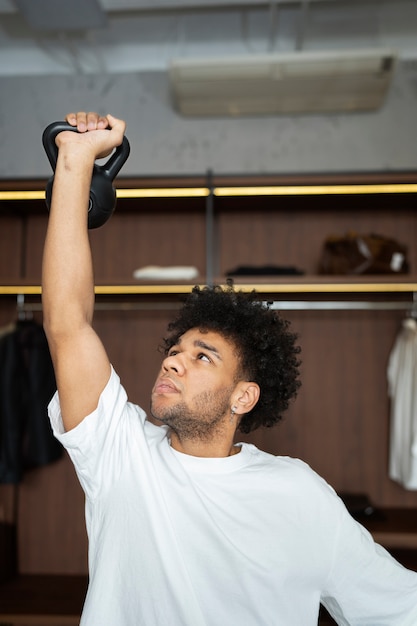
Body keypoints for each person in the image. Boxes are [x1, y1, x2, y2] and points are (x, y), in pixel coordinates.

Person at [42, 111, 417, 626]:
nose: (173, 358)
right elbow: (68, 324)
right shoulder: (121, 454)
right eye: (177, 349)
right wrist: (74, 163)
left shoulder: (299, 493)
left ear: (243, 396)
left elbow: (398, 606)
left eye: (202, 357)